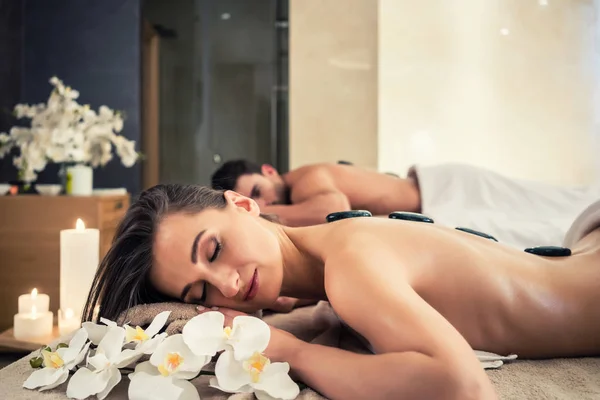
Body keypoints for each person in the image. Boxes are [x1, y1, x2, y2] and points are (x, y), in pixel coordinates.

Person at [84, 184, 600, 400]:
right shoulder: (334, 247)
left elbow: (461, 385)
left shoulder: (349, 267)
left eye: (214, 250)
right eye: (200, 292)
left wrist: (290, 350)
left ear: (243, 204)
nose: (228, 286)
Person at [210, 159, 600, 249]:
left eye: (258, 190)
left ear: (269, 169)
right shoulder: (297, 194)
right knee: (529, 231)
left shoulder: (306, 178)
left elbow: (329, 207)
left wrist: (248, 209)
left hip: (445, 194)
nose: (265, 200)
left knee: (549, 210)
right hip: (433, 210)